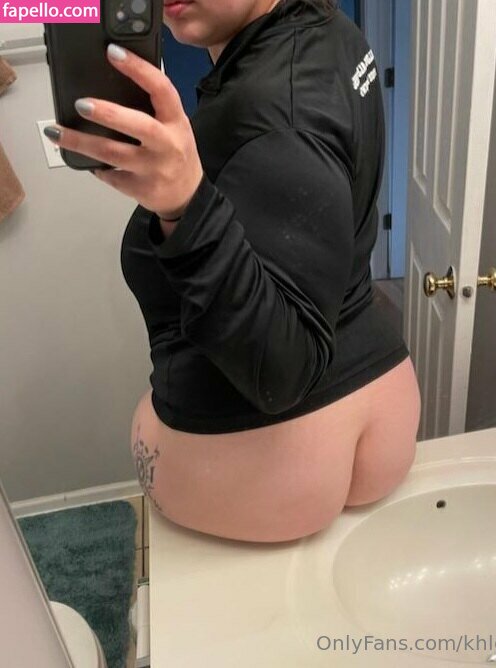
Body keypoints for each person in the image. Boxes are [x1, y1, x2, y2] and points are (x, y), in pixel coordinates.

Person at [44, 0, 421, 542]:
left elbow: (283, 374)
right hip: (375, 394)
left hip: (269, 473)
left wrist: (185, 209)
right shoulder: (330, 33)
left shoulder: (271, 107)